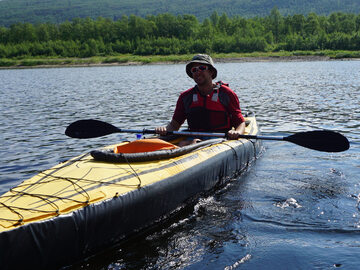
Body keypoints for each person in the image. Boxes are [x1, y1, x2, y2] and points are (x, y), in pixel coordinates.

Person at [156, 54, 246, 145]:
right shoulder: (185, 97)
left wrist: (237, 132)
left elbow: (240, 123)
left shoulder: (227, 94)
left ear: (211, 72)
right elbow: (174, 125)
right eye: (194, 70)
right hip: (194, 138)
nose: (197, 72)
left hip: (220, 139)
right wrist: (164, 130)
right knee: (185, 143)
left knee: (188, 143)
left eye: (202, 68)